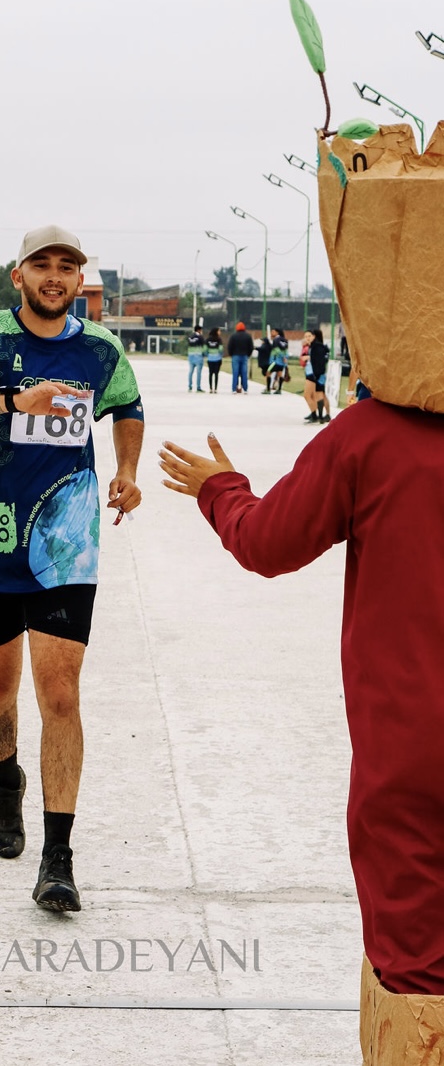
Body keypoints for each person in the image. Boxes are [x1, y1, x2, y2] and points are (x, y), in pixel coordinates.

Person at [158, 402, 444, 998]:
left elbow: (270, 543)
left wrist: (221, 491)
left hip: (411, 752)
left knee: (419, 982)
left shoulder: (370, 435)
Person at [0, 224, 144, 913]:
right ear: (19, 276)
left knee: (62, 694)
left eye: (67, 267)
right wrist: (13, 401)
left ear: (80, 282)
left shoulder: (101, 349)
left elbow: (127, 408)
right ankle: (4, 777)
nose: (54, 275)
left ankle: (58, 858)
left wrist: (127, 470)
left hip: (67, 539)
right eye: (41, 265)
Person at [227, 321, 254, 394]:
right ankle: (245, 388)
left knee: (235, 373)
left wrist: (231, 354)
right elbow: (251, 347)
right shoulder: (248, 336)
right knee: (244, 373)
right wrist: (248, 354)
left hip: (235, 356)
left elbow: (230, 346)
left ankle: (234, 389)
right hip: (244, 356)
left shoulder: (233, 336)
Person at [265, 328, 289, 394]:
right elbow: (286, 350)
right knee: (280, 374)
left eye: (273, 331)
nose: (271, 333)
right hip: (281, 362)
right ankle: (279, 389)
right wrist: (285, 358)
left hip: (275, 361)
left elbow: (276, 350)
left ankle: (268, 389)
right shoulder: (285, 340)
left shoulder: (276, 340)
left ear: (277, 332)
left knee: (268, 372)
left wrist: (282, 356)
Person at [186, 325, 205, 392]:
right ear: (199, 330)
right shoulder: (200, 337)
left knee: (191, 372)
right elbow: (203, 346)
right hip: (198, 356)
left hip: (191, 355)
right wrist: (204, 354)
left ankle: (190, 386)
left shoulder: (190, 337)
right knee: (198, 373)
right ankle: (198, 387)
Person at [205, 327, 223, 393]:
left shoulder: (207, 339)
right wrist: (220, 355)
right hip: (217, 359)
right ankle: (215, 388)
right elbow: (220, 349)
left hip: (210, 359)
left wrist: (208, 354)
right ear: (216, 332)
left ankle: (210, 388)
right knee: (216, 374)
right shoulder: (219, 339)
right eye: (219, 331)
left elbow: (205, 349)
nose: (220, 332)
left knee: (210, 373)